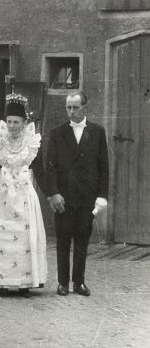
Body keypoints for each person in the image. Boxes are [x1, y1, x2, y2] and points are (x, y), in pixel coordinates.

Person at [0, 92, 47, 297]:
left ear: (25, 123)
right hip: (2, 195)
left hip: (25, 196)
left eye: (16, 122)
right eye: (9, 121)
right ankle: (0, 281)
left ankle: (24, 282)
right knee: (2, 237)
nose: (12, 126)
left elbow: (41, 172)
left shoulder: (32, 143)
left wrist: (52, 194)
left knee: (24, 239)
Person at [46, 91, 109, 297]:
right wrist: (53, 193)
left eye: (75, 107)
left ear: (85, 108)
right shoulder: (57, 133)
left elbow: (103, 167)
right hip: (64, 198)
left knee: (82, 240)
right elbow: (51, 167)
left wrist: (101, 196)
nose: (71, 112)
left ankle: (79, 282)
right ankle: (62, 282)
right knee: (63, 240)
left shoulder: (98, 132)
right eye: (68, 108)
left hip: (86, 198)